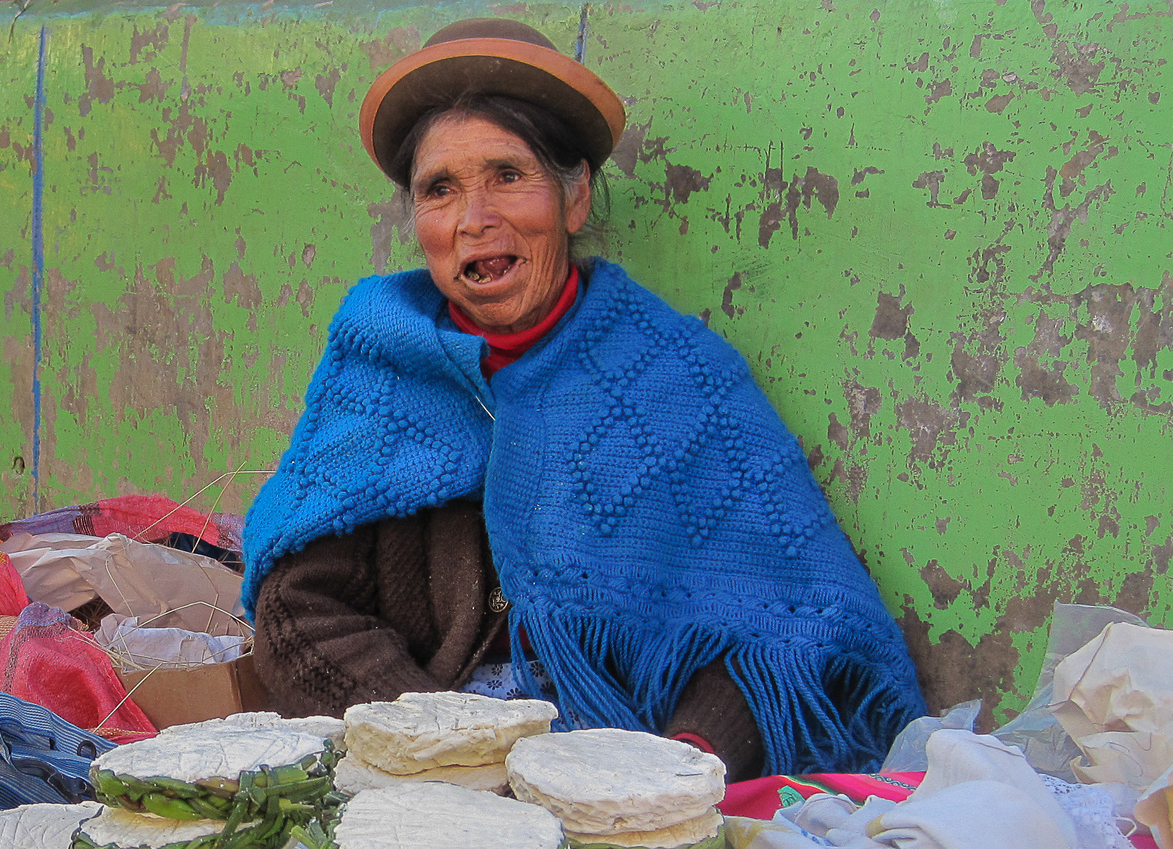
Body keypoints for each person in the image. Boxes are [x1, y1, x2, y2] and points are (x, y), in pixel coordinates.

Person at [240, 19, 926, 781]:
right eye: (441, 190)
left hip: (623, 752)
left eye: (507, 175)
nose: (474, 220)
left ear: (574, 199)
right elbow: (298, 613)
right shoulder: (379, 366)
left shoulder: (676, 376)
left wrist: (677, 770)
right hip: (418, 748)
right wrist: (441, 749)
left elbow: (785, 627)